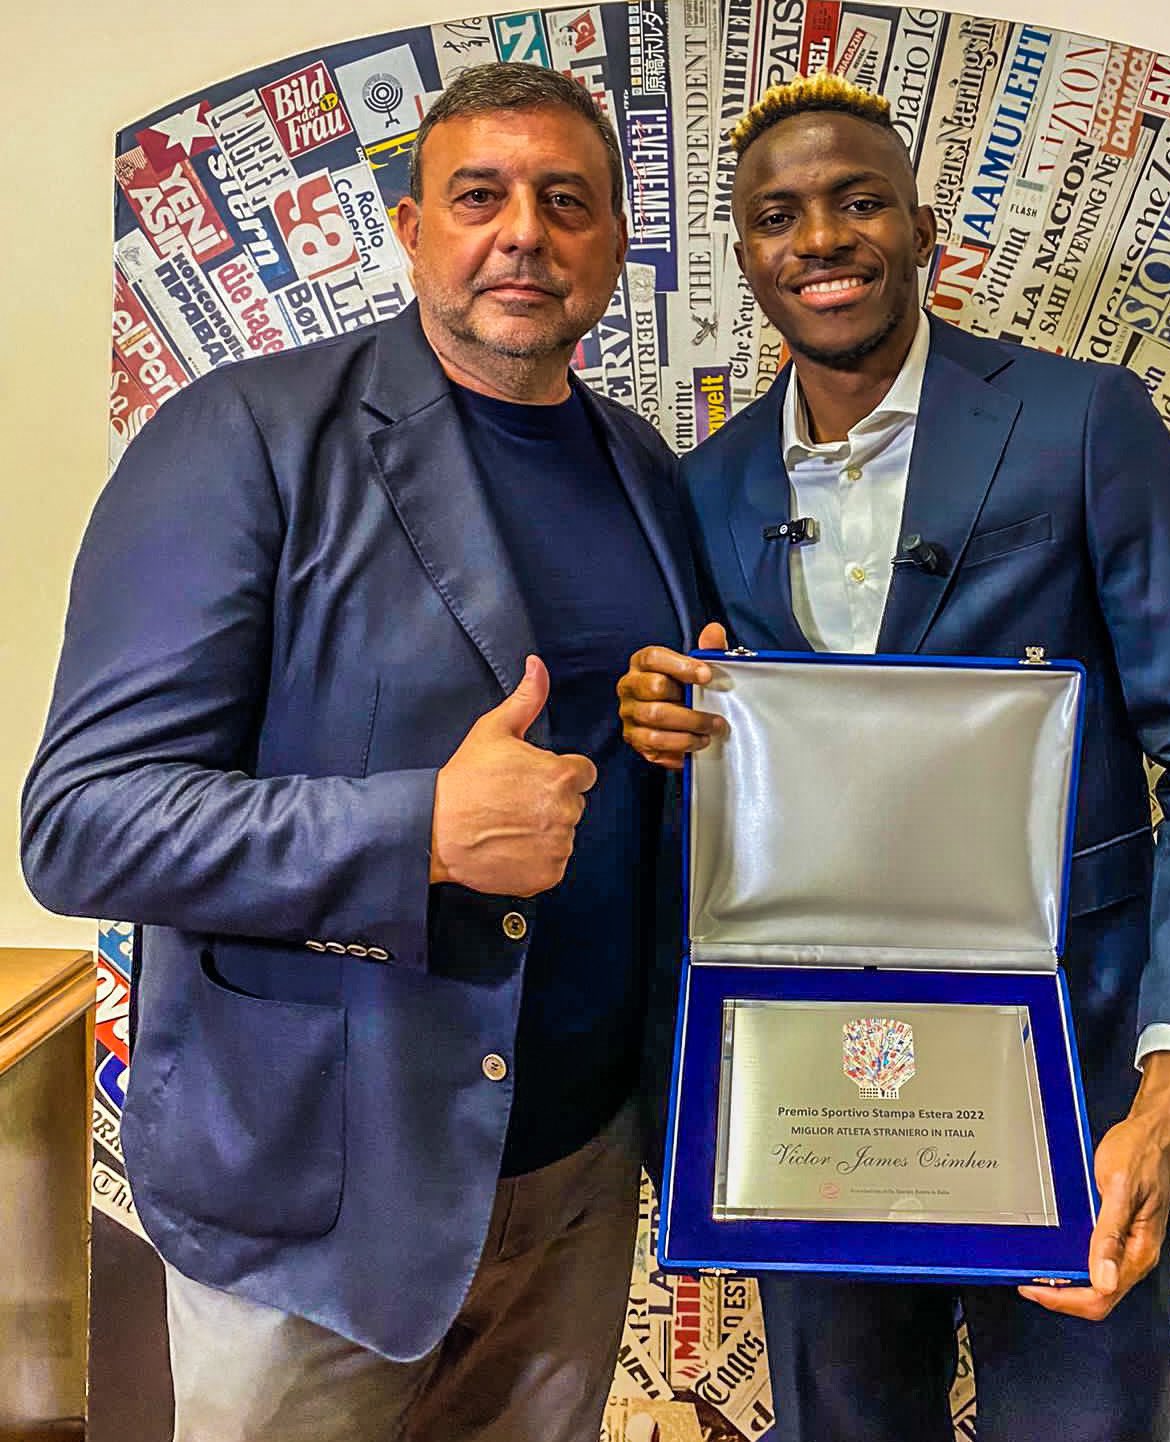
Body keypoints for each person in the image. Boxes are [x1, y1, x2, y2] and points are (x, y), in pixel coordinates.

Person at [23, 63, 697, 1442]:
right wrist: (422, 832)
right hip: (318, 1194)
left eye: (566, 202)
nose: (524, 233)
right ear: (408, 228)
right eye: (479, 196)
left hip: (575, 1173)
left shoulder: (643, 466)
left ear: (615, 243)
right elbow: (83, 823)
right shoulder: (243, 434)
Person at [617, 74, 1170, 1442]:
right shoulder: (707, 486)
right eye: (777, 216)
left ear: (926, 229)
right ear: (743, 253)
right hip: (810, 1088)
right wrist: (654, 723)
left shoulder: (1084, 421)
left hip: (1073, 1078)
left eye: (858, 201)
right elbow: (715, 786)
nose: (820, 239)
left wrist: (1166, 1089)